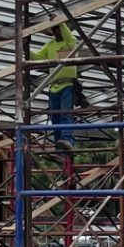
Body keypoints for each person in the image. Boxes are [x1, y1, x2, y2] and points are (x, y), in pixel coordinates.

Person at [31, 19, 80, 150]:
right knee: (55, 118)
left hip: (67, 84)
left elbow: (69, 35)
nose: (56, 31)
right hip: (54, 86)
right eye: (54, 29)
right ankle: (60, 147)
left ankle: (68, 139)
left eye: (58, 28)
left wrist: (60, 21)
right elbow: (37, 58)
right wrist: (25, 47)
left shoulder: (71, 41)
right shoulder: (50, 45)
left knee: (65, 113)